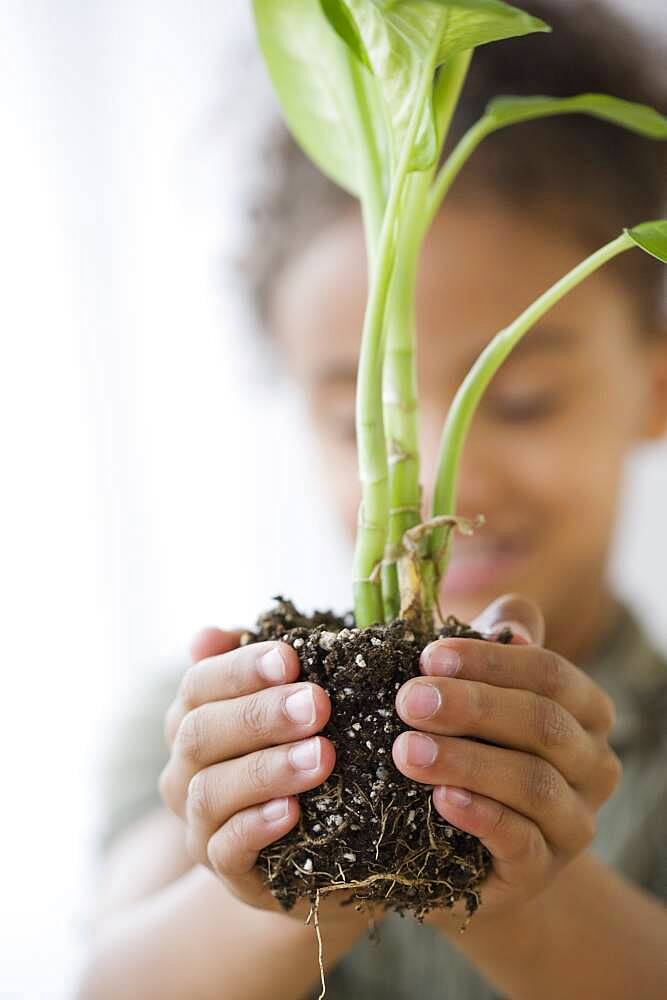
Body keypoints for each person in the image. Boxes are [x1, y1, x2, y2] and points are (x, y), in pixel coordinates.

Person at [77, 3, 667, 998]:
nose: (449, 477)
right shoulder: (216, 723)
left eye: (518, 401)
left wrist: (523, 891)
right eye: (356, 411)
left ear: (656, 384)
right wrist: (277, 858)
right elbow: (113, 976)